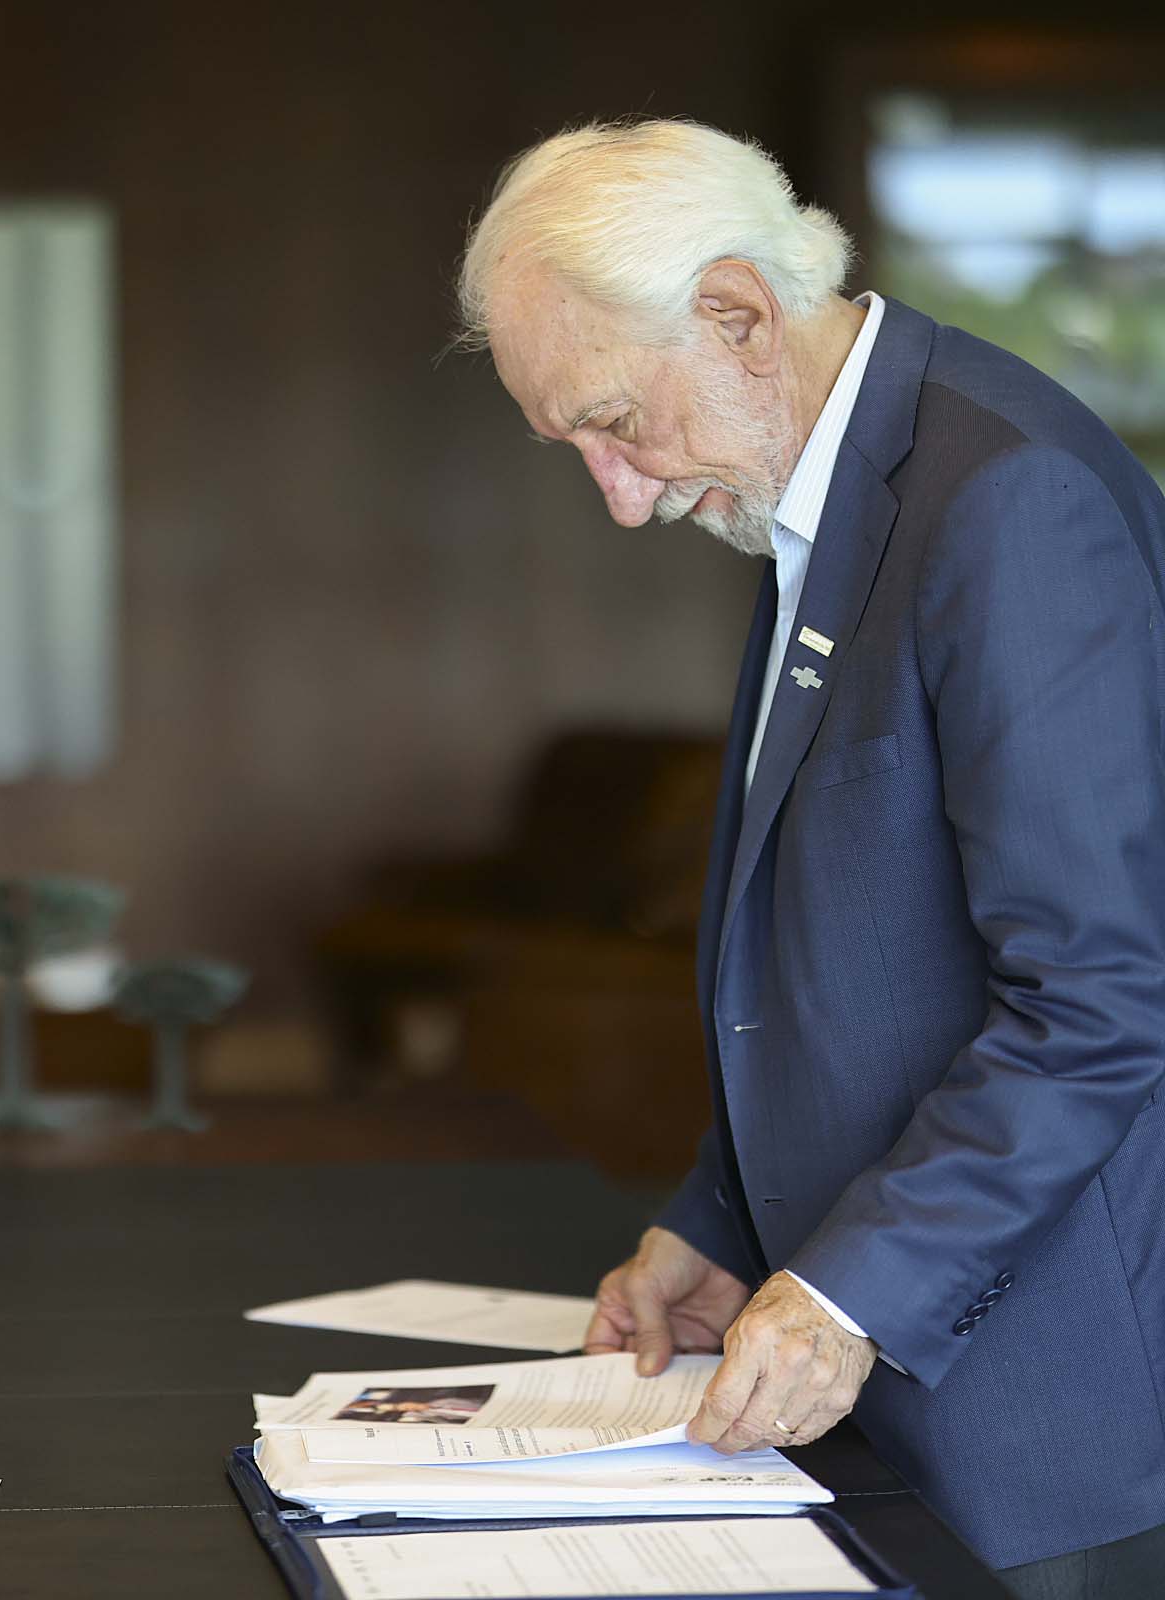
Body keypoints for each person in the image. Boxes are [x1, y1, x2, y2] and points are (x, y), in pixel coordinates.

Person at [456, 119, 1165, 1599]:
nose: (622, 495)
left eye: (615, 422)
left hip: (1047, 1415)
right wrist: (721, 1221)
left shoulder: (1005, 499)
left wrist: (847, 1291)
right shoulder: (819, 486)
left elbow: (1102, 1002)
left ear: (736, 314)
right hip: (894, 1372)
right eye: (573, 445)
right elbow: (856, 944)